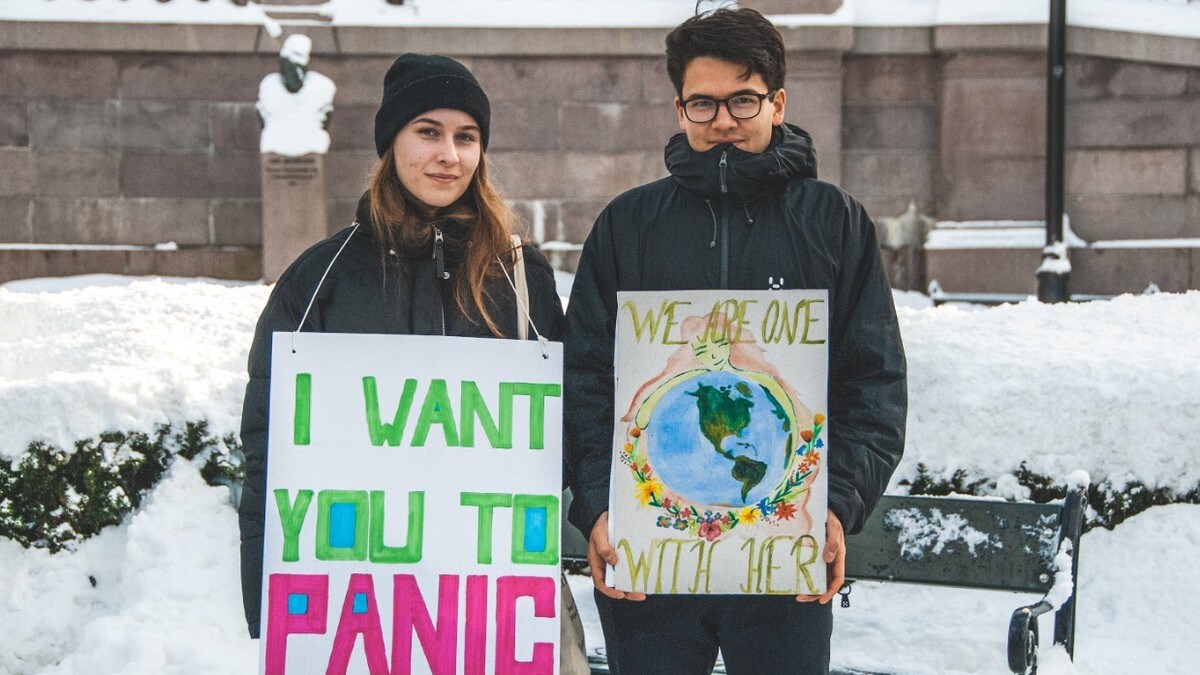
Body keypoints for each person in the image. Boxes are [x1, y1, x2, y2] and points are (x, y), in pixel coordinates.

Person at [563, 8, 907, 674]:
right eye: (703, 102)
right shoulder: (627, 226)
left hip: (785, 562)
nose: (722, 119)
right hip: (650, 564)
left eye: (742, 99)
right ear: (679, 106)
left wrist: (834, 507)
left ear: (778, 102)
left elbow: (874, 385)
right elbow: (583, 381)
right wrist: (599, 508)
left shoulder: (834, 223)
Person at [237, 54, 565, 640]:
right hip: (357, 603)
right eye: (428, 132)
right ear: (391, 144)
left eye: (467, 137)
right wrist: (269, 596)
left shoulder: (518, 274)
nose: (450, 155)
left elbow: (564, 425)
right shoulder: (322, 276)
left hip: (486, 598)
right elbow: (271, 441)